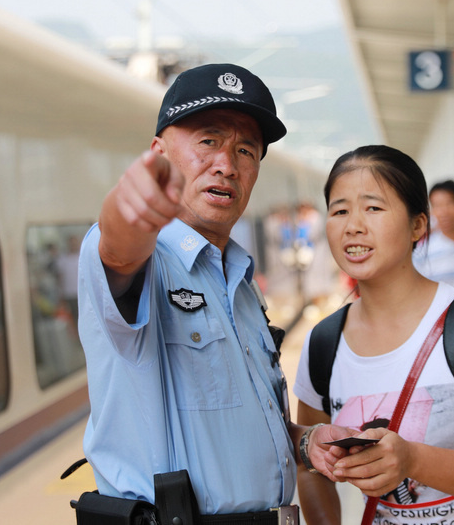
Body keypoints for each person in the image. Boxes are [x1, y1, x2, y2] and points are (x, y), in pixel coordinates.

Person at [77, 63, 353, 519]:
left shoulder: (241, 283)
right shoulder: (148, 265)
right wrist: (130, 207)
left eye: (246, 150)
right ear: (159, 152)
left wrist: (304, 441)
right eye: (208, 141)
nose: (227, 164)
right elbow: (118, 249)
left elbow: (237, 424)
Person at [294, 145, 454, 524]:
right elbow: (309, 462)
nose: (353, 225)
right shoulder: (323, 343)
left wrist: (412, 459)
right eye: (339, 210)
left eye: (373, 208)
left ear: (418, 225)